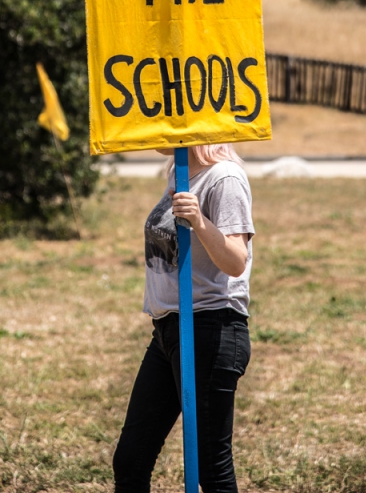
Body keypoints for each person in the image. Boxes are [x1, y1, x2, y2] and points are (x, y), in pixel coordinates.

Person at [113, 143, 254, 493]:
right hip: (167, 332)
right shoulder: (179, 172)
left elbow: (236, 261)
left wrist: (199, 221)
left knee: (211, 471)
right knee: (131, 459)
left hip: (209, 328)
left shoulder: (224, 177)